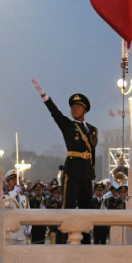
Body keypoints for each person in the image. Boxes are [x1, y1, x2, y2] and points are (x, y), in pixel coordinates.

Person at [32, 80, 100, 242]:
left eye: (77, 106)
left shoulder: (93, 130)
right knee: (67, 206)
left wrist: (92, 171)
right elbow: (55, 113)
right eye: (72, 106)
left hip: (86, 172)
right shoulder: (68, 126)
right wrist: (44, 96)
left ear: (85, 109)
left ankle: (86, 241)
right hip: (72, 171)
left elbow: (92, 153)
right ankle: (61, 241)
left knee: (87, 207)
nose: (73, 109)